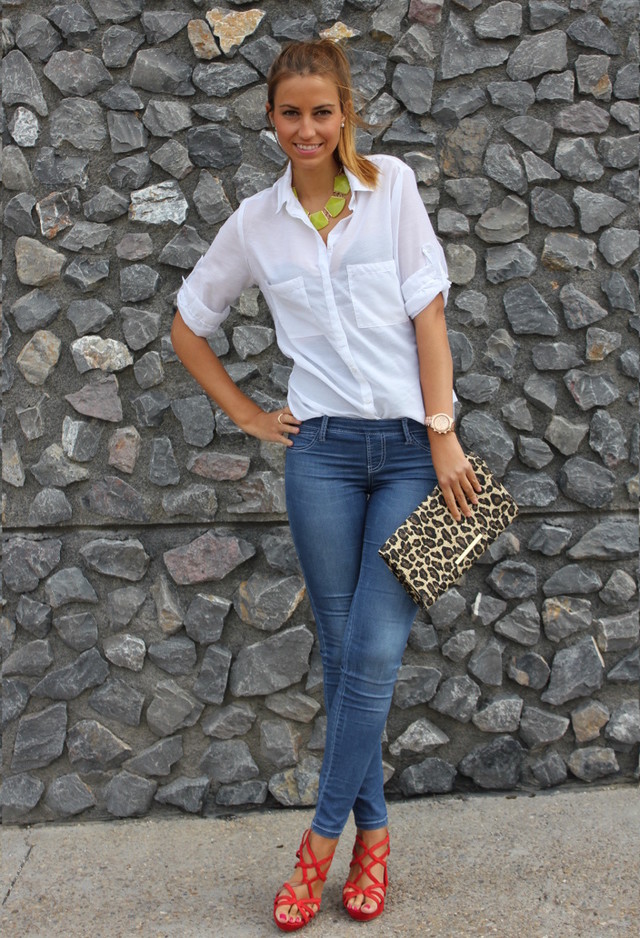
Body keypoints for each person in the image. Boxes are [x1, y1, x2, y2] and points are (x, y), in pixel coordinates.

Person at [171, 38, 480, 932]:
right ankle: (374, 842)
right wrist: (250, 418)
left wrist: (445, 432)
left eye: (321, 111)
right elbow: (191, 327)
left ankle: (318, 846)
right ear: (271, 120)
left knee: (373, 655)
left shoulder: (394, 191)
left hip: (417, 455)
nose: (306, 128)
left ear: (346, 113)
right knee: (345, 660)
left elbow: (430, 316)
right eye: (289, 112)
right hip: (323, 459)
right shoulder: (254, 223)